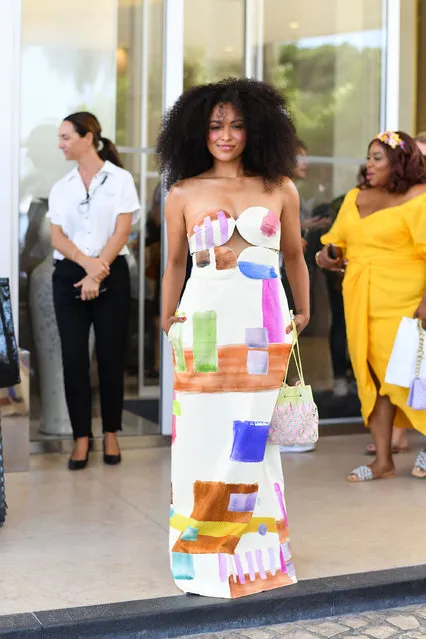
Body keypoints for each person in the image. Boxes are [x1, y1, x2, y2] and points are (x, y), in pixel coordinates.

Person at [158, 78, 309, 598]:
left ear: (257, 129)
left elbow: (294, 256)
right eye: (216, 125)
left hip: (264, 327)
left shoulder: (280, 187)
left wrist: (304, 310)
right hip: (200, 329)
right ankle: (200, 550)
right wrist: (166, 319)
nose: (225, 135)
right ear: (197, 131)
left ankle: (254, 552)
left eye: (237, 125)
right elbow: (175, 262)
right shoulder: (182, 192)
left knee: (254, 439)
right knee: (199, 440)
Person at [316, 131, 426, 481]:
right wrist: (328, 257)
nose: (369, 164)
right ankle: (383, 462)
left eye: (378, 157)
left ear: (400, 161)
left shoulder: (419, 197)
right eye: (369, 156)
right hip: (360, 302)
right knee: (373, 381)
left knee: (408, 378)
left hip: (404, 305)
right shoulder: (355, 198)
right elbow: (330, 248)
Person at [48, 112, 140, 470]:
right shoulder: (62, 186)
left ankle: (112, 434)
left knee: (111, 356)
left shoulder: (119, 180)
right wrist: (87, 266)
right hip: (71, 271)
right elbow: (57, 237)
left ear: (88, 138)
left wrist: (98, 271)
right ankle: (81, 438)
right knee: (73, 359)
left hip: (111, 271)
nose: (61, 144)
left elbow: (122, 232)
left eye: (65, 137)